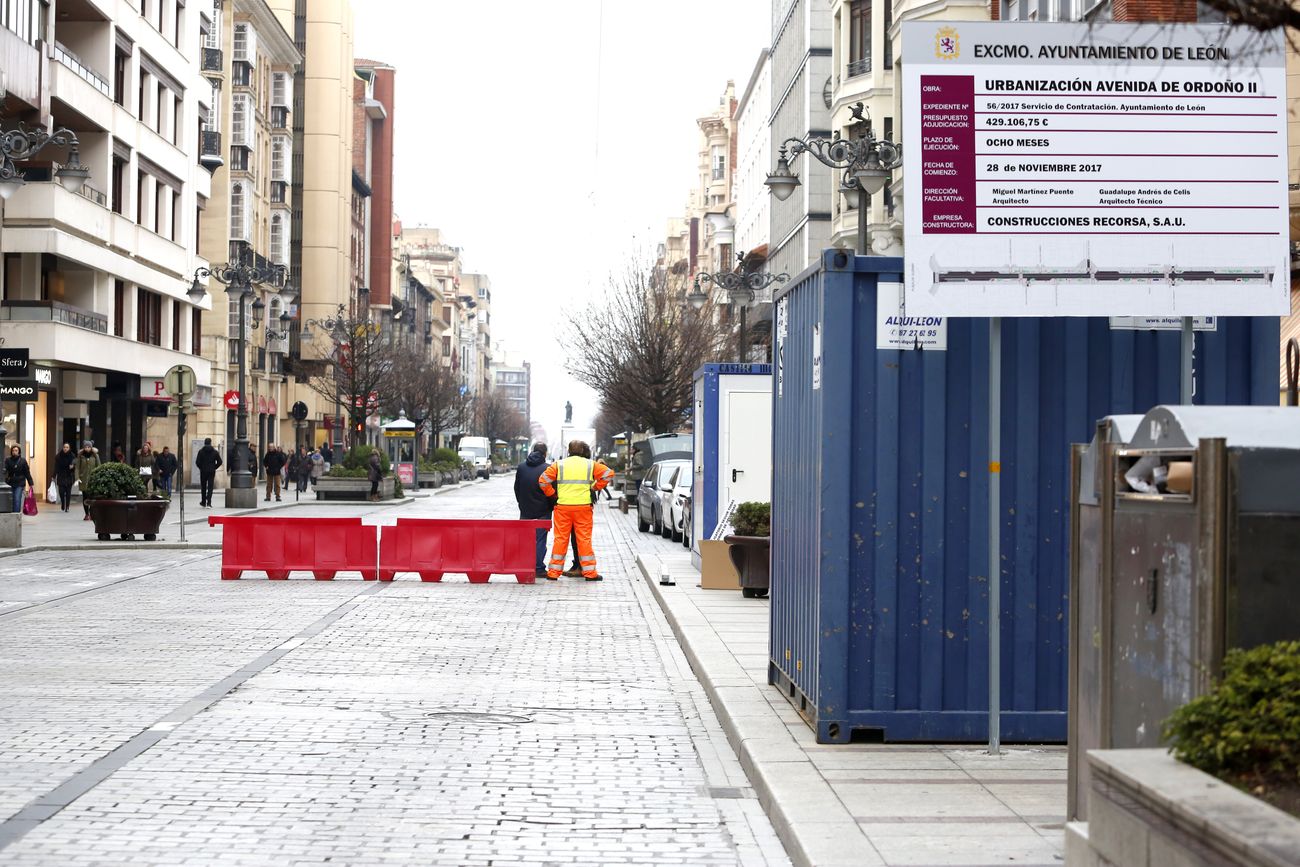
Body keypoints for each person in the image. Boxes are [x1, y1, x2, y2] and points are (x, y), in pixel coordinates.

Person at [537, 440, 615, 581]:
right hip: (583, 507)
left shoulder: (559, 465)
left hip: (563, 507)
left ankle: (553, 573)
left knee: (560, 539)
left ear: (569, 451)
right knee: (584, 539)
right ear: (582, 451)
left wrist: (552, 494)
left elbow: (543, 481)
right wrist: (595, 487)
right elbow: (608, 474)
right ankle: (590, 573)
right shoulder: (590, 465)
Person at [514, 443, 556, 578]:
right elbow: (552, 491)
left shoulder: (521, 467)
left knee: (525, 539)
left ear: (532, 451)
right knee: (540, 539)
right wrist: (552, 506)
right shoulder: (548, 469)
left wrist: (522, 503)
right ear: (545, 453)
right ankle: (538, 568)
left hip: (525, 510)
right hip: (543, 510)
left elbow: (517, 488)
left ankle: (524, 565)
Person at [4, 445, 34, 515]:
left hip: (19, 483)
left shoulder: (23, 461)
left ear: (19, 452)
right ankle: (12, 514)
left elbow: (27, 472)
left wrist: (31, 483)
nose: (14, 452)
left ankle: (16, 515)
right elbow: (5, 470)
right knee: (11, 499)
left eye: (16, 450)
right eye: (13, 450)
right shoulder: (8, 460)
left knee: (17, 499)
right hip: (10, 482)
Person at [75, 441, 100, 520]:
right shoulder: (80, 456)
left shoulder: (95, 455)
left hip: (93, 479)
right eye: (86, 447)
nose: (87, 448)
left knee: (92, 497)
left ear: (91, 447)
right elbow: (77, 468)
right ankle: (87, 514)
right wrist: (77, 478)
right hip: (83, 479)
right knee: (85, 497)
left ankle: (91, 512)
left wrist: (98, 477)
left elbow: (99, 466)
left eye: (89, 447)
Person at [195, 438, 222, 507]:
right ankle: (209, 502)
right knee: (210, 486)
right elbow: (220, 462)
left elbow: (197, 462)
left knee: (203, 486)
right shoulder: (215, 452)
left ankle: (203, 501)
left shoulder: (201, 451)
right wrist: (214, 467)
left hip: (203, 471)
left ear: (204, 443)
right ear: (210, 443)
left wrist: (201, 467)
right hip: (211, 471)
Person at [54, 443, 77, 512]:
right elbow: (56, 467)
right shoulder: (58, 456)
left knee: (68, 493)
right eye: (64, 447)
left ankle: (67, 506)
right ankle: (63, 503)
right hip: (61, 476)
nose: (65, 448)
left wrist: (72, 467)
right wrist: (53, 475)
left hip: (69, 476)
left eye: (67, 447)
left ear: (69, 448)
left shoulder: (72, 456)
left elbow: (76, 466)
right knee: (61, 492)